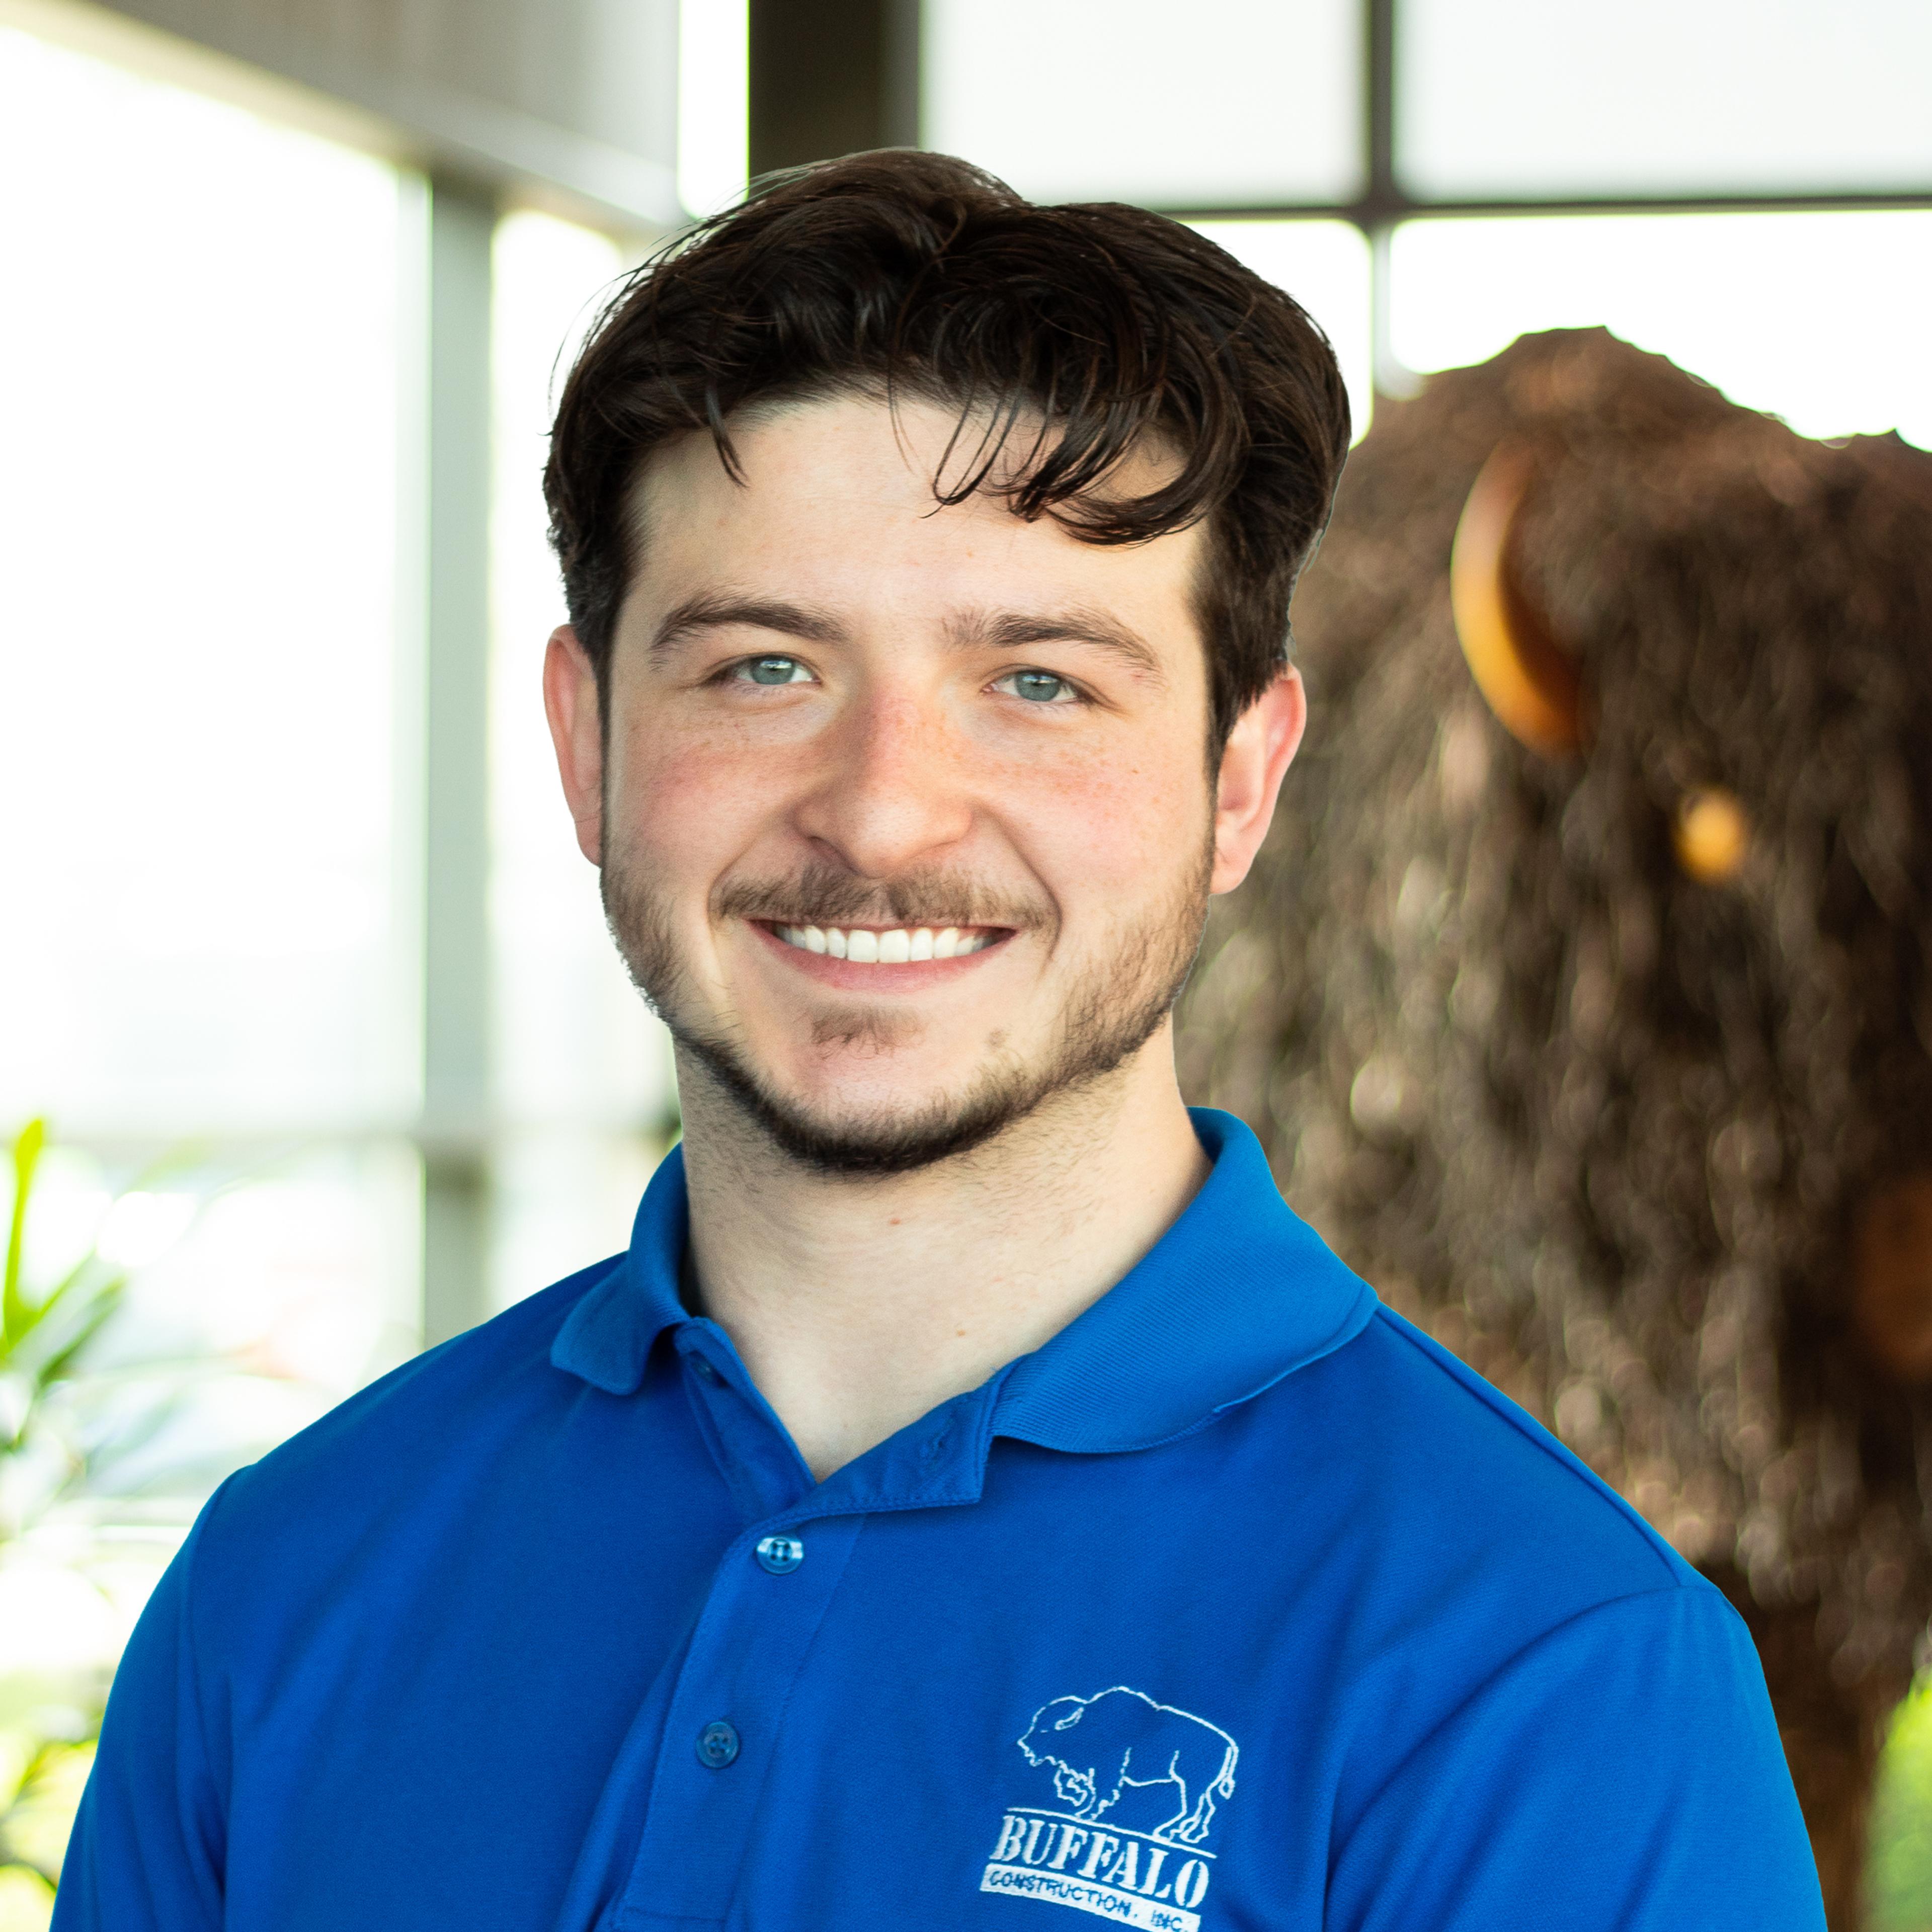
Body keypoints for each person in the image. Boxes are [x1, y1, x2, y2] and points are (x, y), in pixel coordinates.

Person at [56, 151, 1821, 1932]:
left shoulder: (1552, 1681)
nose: (886, 815)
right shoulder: (284, 1589)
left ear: (1241, 781)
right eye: (764, 668)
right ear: (587, 740)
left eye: (1039, 681)